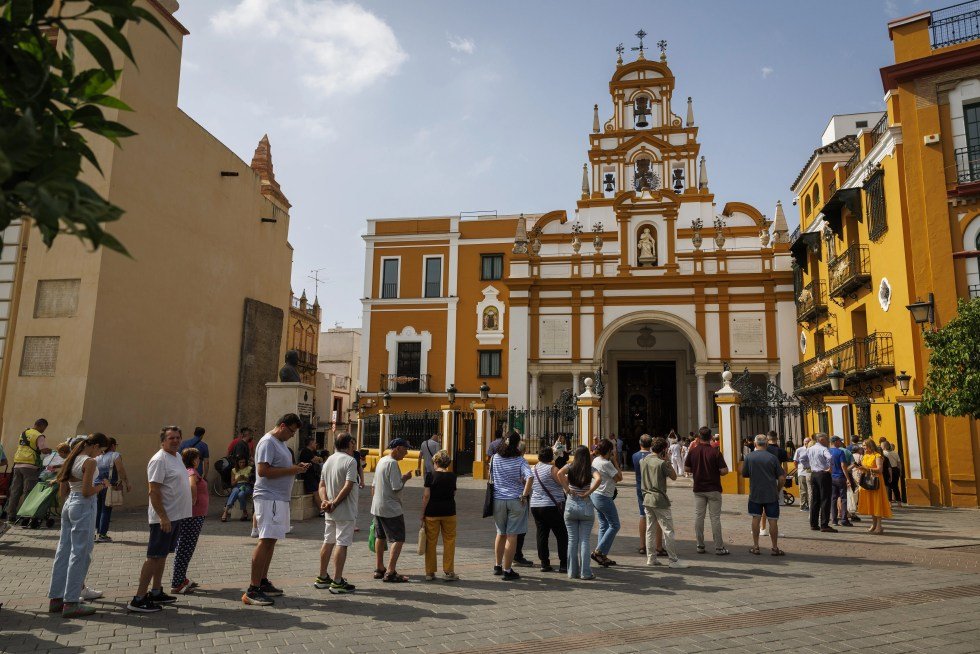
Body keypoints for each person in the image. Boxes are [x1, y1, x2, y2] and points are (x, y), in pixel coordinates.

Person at [243, 414, 309, 606]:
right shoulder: (268, 442)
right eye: (292, 431)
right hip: (268, 497)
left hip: (278, 498)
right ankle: (252, 589)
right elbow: (263, 471)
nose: (292, 435)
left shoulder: (279, 443)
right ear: (282, 426)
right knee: (265, 540)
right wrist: (293, 470)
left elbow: (280, 467)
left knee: (271, 541)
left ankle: (262, 581)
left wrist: (295, 468)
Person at [127, 427, 193, 613]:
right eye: (171, 438)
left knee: (162, 555)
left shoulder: (176, 456)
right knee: (154, 556)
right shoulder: (159, 460)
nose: (175, 440)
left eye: (178, 437)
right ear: (163, 441)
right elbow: (153, 491)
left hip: (175, 516)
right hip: (163, 518)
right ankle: (139, 598)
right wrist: (163, 517)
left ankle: (156, 591)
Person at [47, 433, 110, 618]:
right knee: (80, 553)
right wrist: (102, 485)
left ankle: (56, 598)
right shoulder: (89, 461)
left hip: (69, 504)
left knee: (63, 551)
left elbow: (63, 491)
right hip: (83, 505)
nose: (100, 454)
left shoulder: (72, 458)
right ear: (95, 446)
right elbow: (87, 491)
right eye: (101, 450)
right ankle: (71, 601)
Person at [315, 432, 359, 593]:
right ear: (349, 444)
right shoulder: (350, 461)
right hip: (344, 509)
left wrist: (325, 501)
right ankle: (337, 580)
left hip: (330, 510)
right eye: (353, 444)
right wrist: (334, 503)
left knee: (328, 541)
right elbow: (348, 486)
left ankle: (322, 576)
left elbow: (322, 485)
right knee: (342, 543)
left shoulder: (328, 460)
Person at [489, 431, 533, 580]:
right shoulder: (520, 460)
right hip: (515, 500)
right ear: (517, 444)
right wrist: (524, 495)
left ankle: (497, 565)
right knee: (512, 535)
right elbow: (530, 477)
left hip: (498, 500)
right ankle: (507, 570)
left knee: (500, 533)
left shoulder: (495, 458)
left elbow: (491, 476)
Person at [371, 438, 414, 583]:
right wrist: (405, 478)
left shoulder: (381, 460)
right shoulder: (393, 463)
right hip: (391, 507)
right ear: (398, 448)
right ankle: (390, 571)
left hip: (378, 505)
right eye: (405, 449)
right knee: (398, 538)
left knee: (380, 536)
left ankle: (379, 568)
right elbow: (396, 486)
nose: (406, 453)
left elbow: (374, 485)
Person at [640, 436, 686, 568]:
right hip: (659, 499)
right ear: (664, 450)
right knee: (668, 531)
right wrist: (667, 460)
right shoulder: (662, 463)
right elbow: (674, 477)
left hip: (647, 498)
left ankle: (651, 558)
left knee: (650, 530)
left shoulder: (643, 461)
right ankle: (673, 560)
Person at [684, 426, 730, 555]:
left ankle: (700, 545)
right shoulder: (715, 452)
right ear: (710, 437)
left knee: (699, 517)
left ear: (698, 438)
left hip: (699, 488)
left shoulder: (693, 451)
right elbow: (724, 471)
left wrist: (696, 469)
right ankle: (719, 547)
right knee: (715, 518)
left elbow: (686, 468)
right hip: (713, 488)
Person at [557, 445, 601, 580]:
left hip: (571, 504)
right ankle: (585, 572)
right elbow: (599, 479)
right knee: (584, 540)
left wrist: (567, 489)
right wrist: (589, 492)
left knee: (572, 540)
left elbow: (559, 473)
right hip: (585, 505)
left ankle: (572, 572)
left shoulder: (570, 466)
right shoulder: (590, 469)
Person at [170, 448, 208, 594]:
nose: (199, 460)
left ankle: (182, 578)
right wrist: (193, 500)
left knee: (187, 547)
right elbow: (192, 484)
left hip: (195, 515)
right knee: (185, 547)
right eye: (197, 458)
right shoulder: (191, 471)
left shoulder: (189, 471)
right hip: (193, 516)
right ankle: (177, 582)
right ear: (193, 459)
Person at [742, 434, 786, 556]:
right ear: (766, 444)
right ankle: (775, 547)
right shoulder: (773, 458)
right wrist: (778, 489)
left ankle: (756, 546)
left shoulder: (749, 457)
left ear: (755, 444)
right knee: (773, 520)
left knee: (755, 518)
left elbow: (744, 474)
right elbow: (782, 478)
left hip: (755, 493)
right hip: (771, 493)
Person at [3, 418, 52, 522]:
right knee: (28, 491)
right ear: (42, 425)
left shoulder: (24, 433)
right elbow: (43, 449)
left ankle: (11, 516)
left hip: (17, 464)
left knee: (15, 491)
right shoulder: (39, 435)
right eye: (44, 427)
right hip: (30, 465)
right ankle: (26, 516)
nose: (44, 430)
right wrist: (50, 451)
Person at [421, 449, 458, 581]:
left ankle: (430, 572)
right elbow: (454, 493)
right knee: (449, 541)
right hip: (449, 512)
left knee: (431, 542)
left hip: (432, 512)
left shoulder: (430, 475)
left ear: (436, 462)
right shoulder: (452, 476)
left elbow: (426, 496)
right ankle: (448, 571)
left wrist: (422, 513)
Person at [529, 447, 567, 573]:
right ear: (551, 457)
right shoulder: (552, 469)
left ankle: (544, 563)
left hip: (535, 505)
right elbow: (563, 482)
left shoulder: (533, 469)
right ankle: (564, 563)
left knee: (542, 534)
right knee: (561, 534)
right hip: (551, 506)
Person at [590, 439, 622, 567]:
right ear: (609, 451)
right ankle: (598, 551)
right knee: (615, 525)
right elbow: (619, 478)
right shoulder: (606, 463)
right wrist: (615, 462)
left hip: (595, 495)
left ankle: (602, 555)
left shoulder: (596, 460)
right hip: (603, 497)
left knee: (604, 524)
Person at [94, 438, 130, 543]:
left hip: (96, 485)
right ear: (113, 445)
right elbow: (120, 470)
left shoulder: (97, 457)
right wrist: (127, 482)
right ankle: (102, 535)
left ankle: (95, 533)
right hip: (108, 486)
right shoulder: (115, 455)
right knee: (106, 510)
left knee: (98, 510)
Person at [632, 434, 663, 557]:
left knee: (642, 515)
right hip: (653, 488)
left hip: (640, 487)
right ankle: (659, 546)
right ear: (651, 444)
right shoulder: (654, 456)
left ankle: (642, 545)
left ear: (640, 443)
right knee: (658, 516)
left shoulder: (635, 456)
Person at [857, 439, 892, 534]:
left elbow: (880, 470)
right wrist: (861, 469)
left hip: (876, 481)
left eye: (865, 445)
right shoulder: (865, 456)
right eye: (863, 445)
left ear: (870, 446)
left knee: (877, 503)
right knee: (871, 504)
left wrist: (867, 469)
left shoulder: (877, 456)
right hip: (867, 481)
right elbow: (865, 468)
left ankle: (879, 525)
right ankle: (874, 524)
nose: (863, 447)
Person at [807, 433, 836, 533]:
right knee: (825, 499)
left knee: (815, 499)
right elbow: (830, 458)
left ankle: (813, 524)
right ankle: (824, 525)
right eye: (827, 439)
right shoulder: (823, 449)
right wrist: (829, 467)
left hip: (814, 474)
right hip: (823, 474)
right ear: (822, 440)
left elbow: (802, 458)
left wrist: (810, 465)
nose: (828, 441)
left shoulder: (810, 448)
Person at [829, 436, 853, 527]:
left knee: (833, 498)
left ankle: (834, 520)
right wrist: (848, 478)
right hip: (840, 477)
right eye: (839, 441)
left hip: (831, 477)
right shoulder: (840, 452)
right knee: (843, 499)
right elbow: (843, 466)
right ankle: (844, 519)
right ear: (835, 442)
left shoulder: (827, 451)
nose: (841, 443)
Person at [221, 457, 254, 522]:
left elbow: (251, 481)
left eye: (243, 462)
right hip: (237, 485)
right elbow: (232, 484)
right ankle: (226, 511)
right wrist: (237, 479)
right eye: (240, 462)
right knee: (235, 491)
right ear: (237, 463)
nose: (242, 464)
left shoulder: (249, 468)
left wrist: (245, 478)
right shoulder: (234, 470)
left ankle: (244, 512)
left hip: (246, 485)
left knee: (241, 494)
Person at [792, 438, 812, 512]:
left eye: (808, 441)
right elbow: (795, 461)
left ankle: (810, 505)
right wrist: (799, 469)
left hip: (810, 472)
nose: (807, 442)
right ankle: (803, 506)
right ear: (803, 442)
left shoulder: (812, 449)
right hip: (802, 472)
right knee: (803, 490)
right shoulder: (799, 450)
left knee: (810, 490)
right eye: (806, 441)